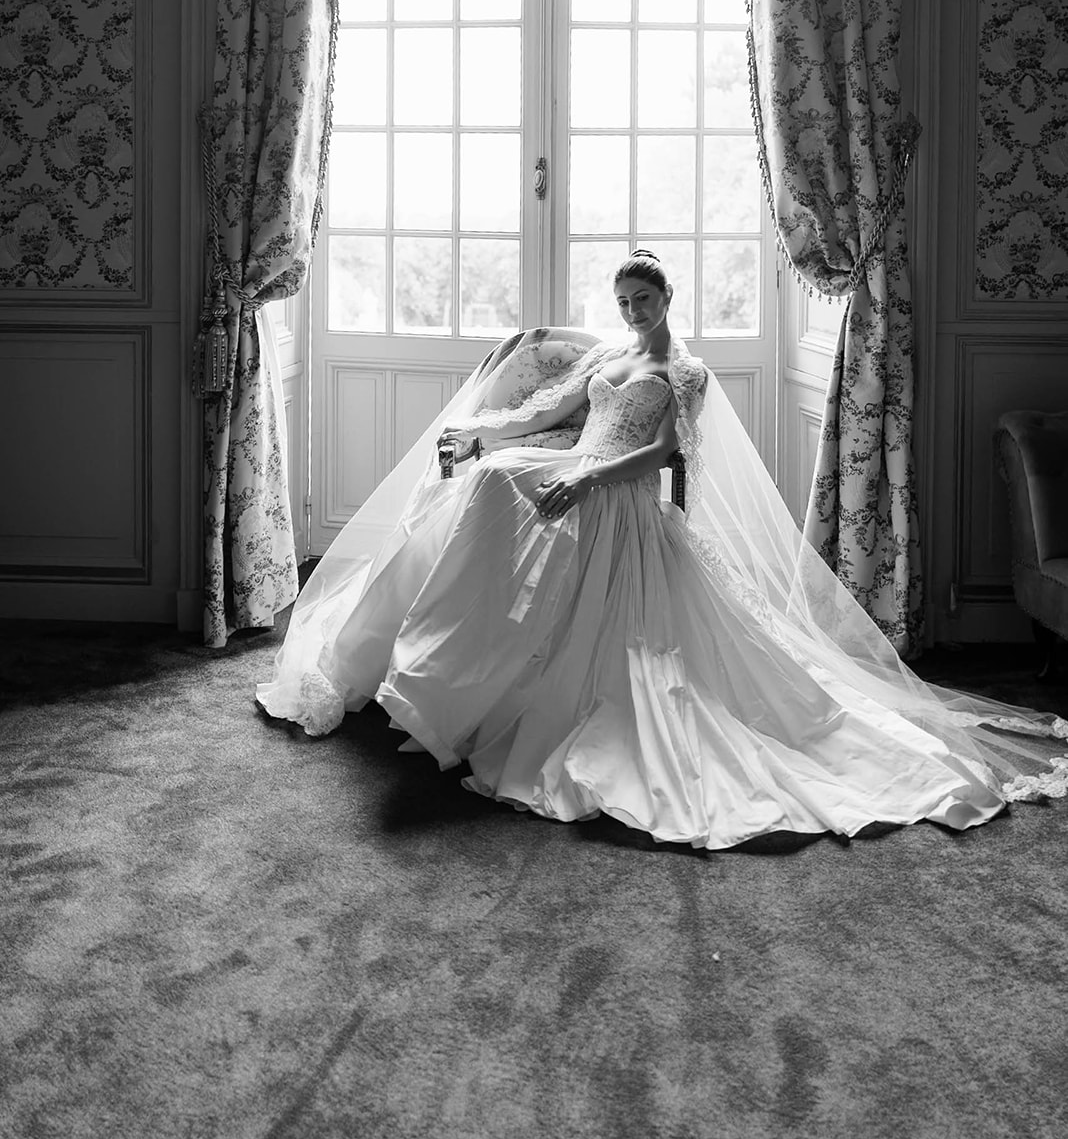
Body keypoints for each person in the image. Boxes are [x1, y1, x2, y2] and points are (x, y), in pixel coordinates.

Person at [257, 250, 1068, 850]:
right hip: (577, 466)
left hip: (622, 491)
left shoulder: (684, 369)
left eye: (643, 298)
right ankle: (442, 655)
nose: (633, 310)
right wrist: (480, 430)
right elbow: (545, 415)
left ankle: (475, 668)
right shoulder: (610, 356)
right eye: (623, 300)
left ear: (668, 297)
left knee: (520, 496)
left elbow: (671, 457)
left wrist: (589, 480)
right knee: (494, 473)